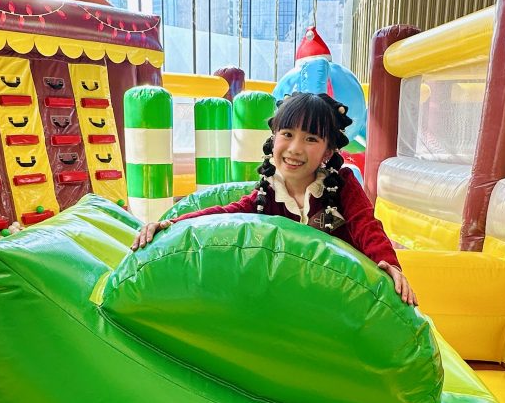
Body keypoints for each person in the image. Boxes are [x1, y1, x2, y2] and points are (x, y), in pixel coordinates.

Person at [132, 92, 417, 306]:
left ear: (328, 152)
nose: (294, 148)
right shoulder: (266, 197)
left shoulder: (341, 186)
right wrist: (172, 223)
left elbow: (366, 225)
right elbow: (226, 214)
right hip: (290, 299)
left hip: (338, 297)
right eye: (287, 134)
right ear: (274, 139)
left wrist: (389, 264)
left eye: (311, 139)